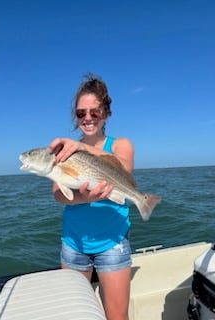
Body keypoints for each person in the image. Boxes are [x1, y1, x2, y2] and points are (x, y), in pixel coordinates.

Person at [49, 73, 134, 320]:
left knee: (117, 317)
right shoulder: (65, 152)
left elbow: (124, 169)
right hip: (73, 243)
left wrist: (84, 148)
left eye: (94, 112)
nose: (87, 118)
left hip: (112, 243)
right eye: (81, 113)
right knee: (76, 315)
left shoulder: (121, 144)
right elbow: (58, 194)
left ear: (106, 114)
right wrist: (85, 198)